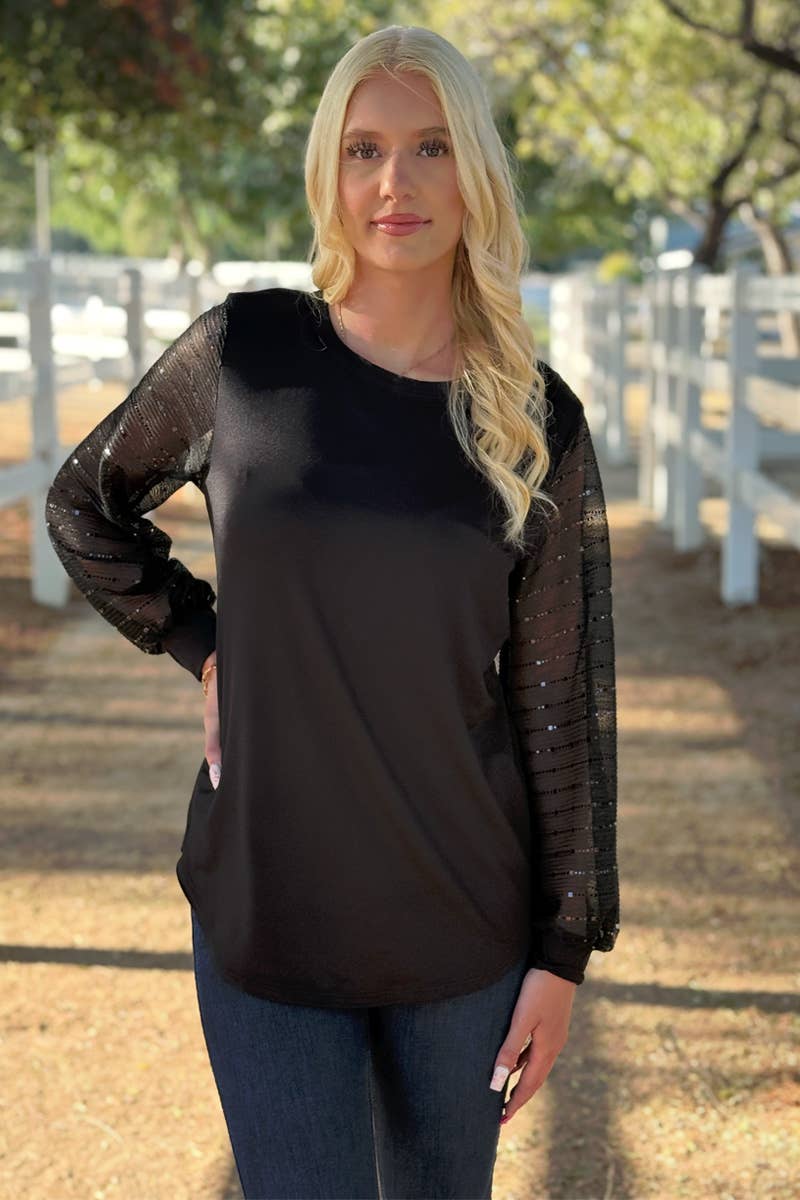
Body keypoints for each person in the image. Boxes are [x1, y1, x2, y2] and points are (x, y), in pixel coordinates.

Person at [45, 23, 619, 1200]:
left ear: (475, 169)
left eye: (429, 147)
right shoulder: (245, 356)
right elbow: (83, 504)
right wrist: (206, 646)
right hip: (269, 900)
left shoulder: (531, 419)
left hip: (462, 921)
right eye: (364, 149)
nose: (393, 182)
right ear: (329, 170)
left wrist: (561, 954)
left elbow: (558, 704)